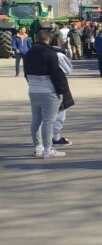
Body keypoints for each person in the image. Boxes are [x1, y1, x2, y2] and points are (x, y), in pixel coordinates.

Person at [23, 29, 70, 158]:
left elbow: (26, 74)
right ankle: (48, 149)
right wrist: (61, 91)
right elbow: (56, 74)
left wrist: (32, 85)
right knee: (48, 121)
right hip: (48, 91)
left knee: (36, 121)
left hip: (33, 90)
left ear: (36, 38)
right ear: (48, 39)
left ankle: (38, 147)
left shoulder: (28, 54)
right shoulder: (50, 53)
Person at [50, 34, 74, 147]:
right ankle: (56, 137)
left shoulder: (41, 54)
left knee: (46, 115)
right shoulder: (59, 55)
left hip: (42, 87)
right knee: (60, 113)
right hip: (59, 85)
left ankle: (46, 137)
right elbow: (68, 70)